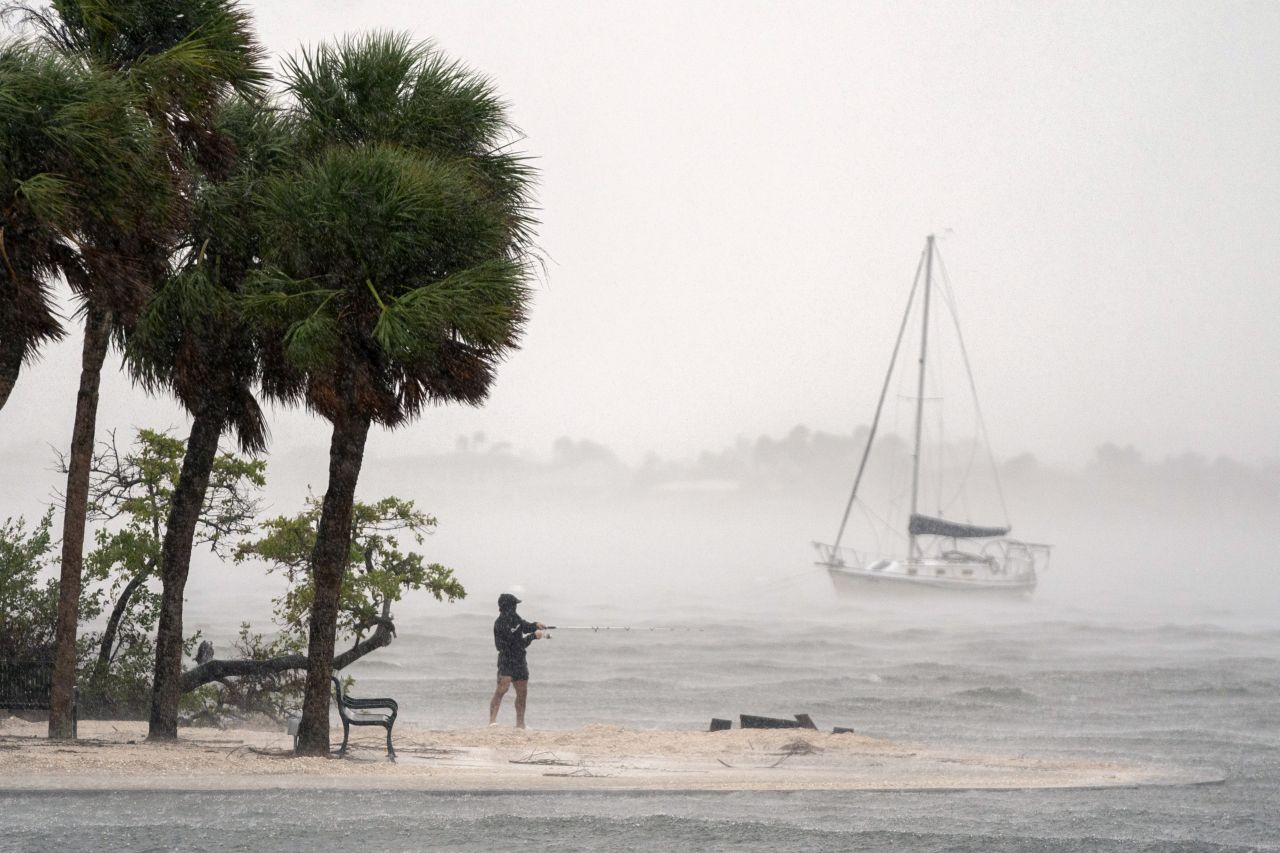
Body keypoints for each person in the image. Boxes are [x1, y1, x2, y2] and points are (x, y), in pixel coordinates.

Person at [488, 592, 545, 728]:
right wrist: (533, 637)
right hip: (506, 660)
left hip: (520, 660)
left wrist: (536, 625)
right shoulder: (500, 623)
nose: (515, 607)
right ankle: (492, 722)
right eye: (514, 605)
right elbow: (516, 644)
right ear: (507, 606)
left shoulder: (515, 618)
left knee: (522, 693)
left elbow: (524, 626)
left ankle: (520, 724)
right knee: (502, 689)